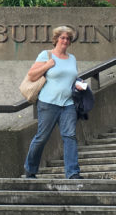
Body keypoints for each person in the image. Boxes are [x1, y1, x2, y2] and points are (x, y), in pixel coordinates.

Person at [22, 25, 84, 180]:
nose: (65, 41)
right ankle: (30, 169)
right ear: (56, 39)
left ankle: (73, 173)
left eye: (68, 38)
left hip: (68, 104)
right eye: (62, 37)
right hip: (48, 103)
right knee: (42, 137)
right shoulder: (46, 55)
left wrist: (78, 84)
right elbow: (31, 75)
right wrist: (47, 65)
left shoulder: (72, 58)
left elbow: (72, 77)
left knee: (70, 136)